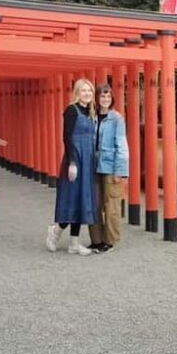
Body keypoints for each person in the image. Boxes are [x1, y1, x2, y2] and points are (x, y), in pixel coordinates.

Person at [46, 78, 97, 256]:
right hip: (74, 160)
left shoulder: (91, 112)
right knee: (71, 199)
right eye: (84, 91)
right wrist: (72, 162)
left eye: (89, 91)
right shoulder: (71, 110)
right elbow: (67, 138)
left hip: (88, 161)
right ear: (77, 92)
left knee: (82, 200)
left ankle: (74, 243)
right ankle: (55, 231)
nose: (87, 94)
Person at [88, 84, 129, 254]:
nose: (105, 100)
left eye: (108, 97)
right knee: (94, 204)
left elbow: (122, 146)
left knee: (111, 204)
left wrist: (120, 171)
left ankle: (109, 240)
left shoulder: (117, 119)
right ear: (96, 98)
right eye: (102, 96)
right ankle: (96, 240)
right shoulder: (91, 116)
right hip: (93, 166)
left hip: (110, 166)